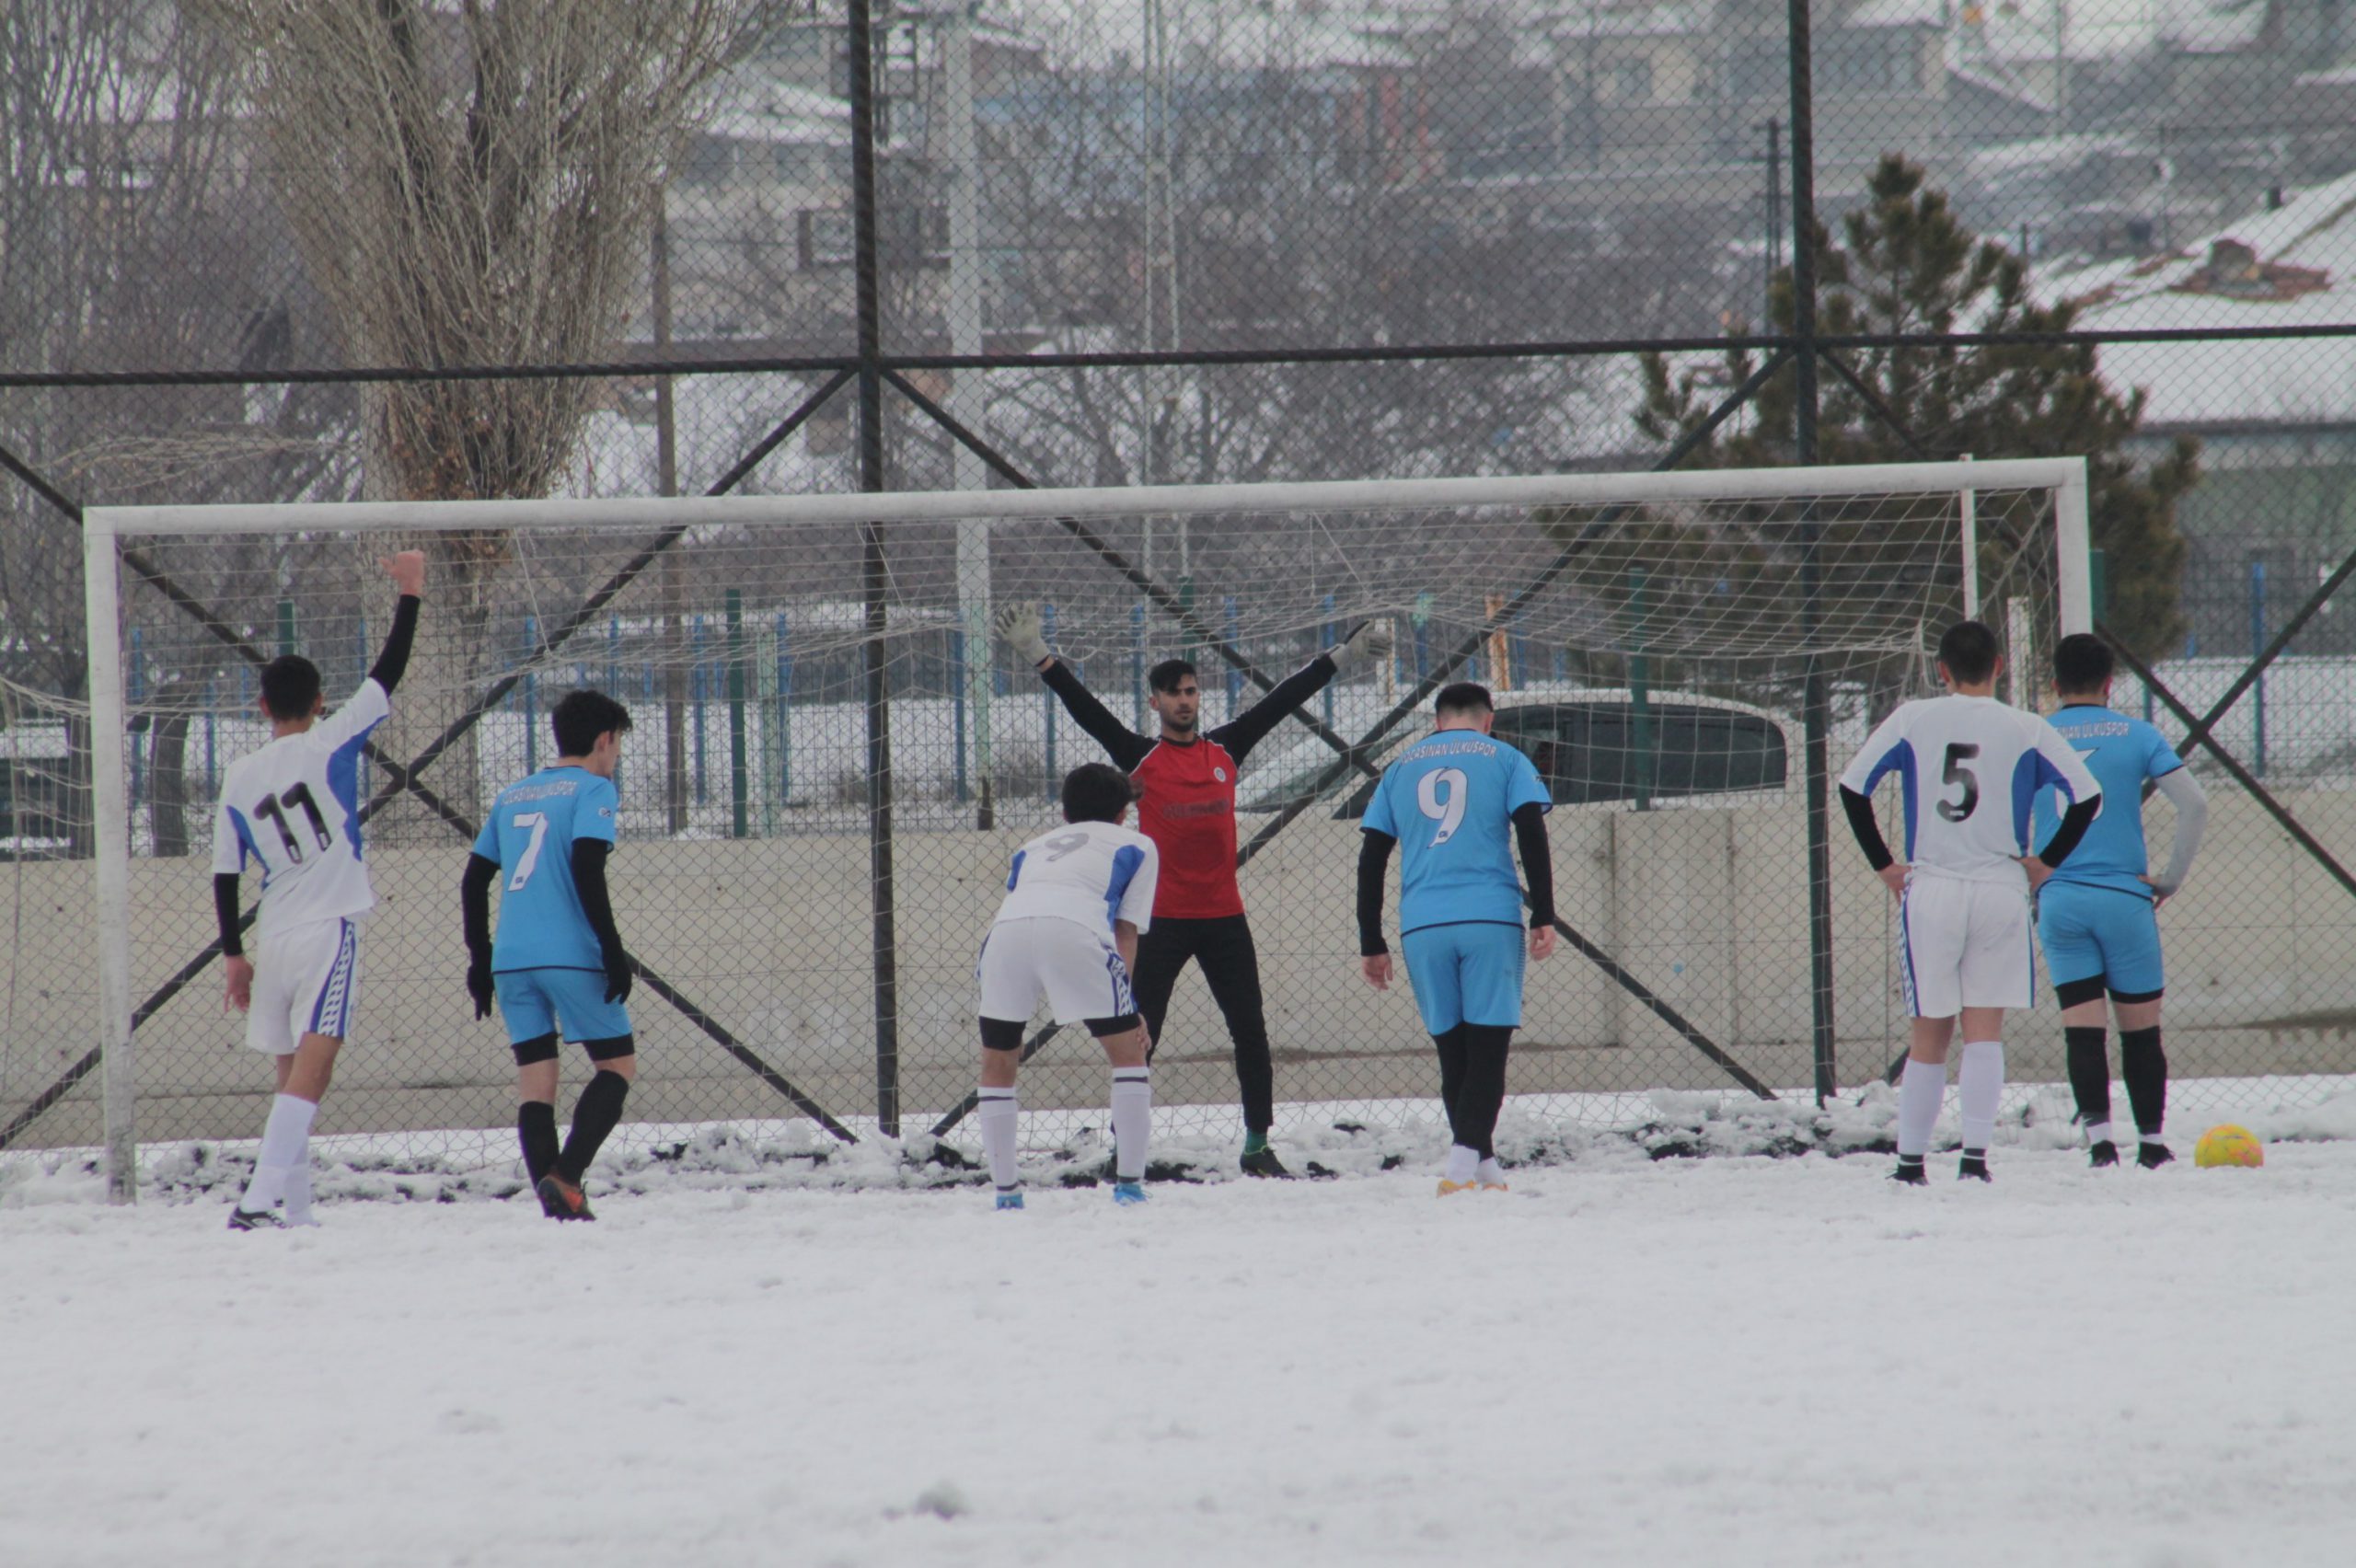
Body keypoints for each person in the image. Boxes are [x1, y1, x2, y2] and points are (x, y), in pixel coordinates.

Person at [996, 601, 1391, 1178]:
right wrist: (1038, 654)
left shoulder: (1226, 749)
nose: (1185, 700)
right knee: (1136, 1037)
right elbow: (1086, 712)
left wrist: (1345, 655)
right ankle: (1123, 1151)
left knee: (1250, 1030)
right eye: (1173, 692)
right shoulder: (1140, 757)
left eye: (1191, 690)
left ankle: (1257, 1144)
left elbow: (1283, 700)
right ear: (1155, 702)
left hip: (1224, 917)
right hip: (1164, 922)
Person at [1838, 620, 2105, 1185]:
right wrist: (2046, 862)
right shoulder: (2028, 727)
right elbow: (2087, 796)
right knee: (1985, 1030)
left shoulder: (1914, 717)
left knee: (1928, 1033)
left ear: (1942, 670)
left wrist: (1885, 865)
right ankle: (1974, 1160)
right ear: (2001, 666)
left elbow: (1852, 786)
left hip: (1932, 887)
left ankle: (1911, 1164)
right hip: (1999, 888)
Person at [213, 550, 424, 1229]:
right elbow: (387, 673)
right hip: (329, 925)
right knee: (314, 1071)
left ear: (262, 706)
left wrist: (233, 955)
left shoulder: (239, 777)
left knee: (288, 1077)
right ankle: (253, 1202)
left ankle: (295, 1213)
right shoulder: (330, 741)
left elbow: (224, 873)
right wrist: (410, 592)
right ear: (320, 703)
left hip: (272, 935)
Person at [1355, 682, 1556, 1196]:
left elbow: (1372, 857)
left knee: (1454, 1054)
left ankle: (1486, 1170)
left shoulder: (1400, 767)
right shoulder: (1506, 758)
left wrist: (1371, 940)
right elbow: (1532, 830)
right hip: (1490, 918)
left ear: (1437, 722)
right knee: (1488, 1052)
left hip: (1423, 924)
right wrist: (1545, 913)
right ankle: (1461, 1167)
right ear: (1488, 719)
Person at [2032, 633, 2209, 1169]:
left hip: (2060, 899)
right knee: (2141, 1029)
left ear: (2055, 684)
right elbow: (2194, 805)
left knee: (2082, 1027)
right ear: (2111, 684)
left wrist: (2030, 875)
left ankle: (2101, 1143)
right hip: (2125, 897)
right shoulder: (2138, 734)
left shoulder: (2033, 736)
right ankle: (2152, 1145)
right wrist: (2169, 879)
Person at [461, 690, 638, 1221]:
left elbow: (474, 880)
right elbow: (587, 866)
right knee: (618, 1066)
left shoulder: (512, 795)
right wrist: (611, 947)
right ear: (604, 740)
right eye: (619, 745)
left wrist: (479, 958)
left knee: (537, 1082)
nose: (618, 757)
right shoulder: (595, 790)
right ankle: (566, 1176)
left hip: (511, 960)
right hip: (570, 956)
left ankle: (556, 1206)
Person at [976, 762, 1161, 1209]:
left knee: (998, 1064)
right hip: (1076, 931)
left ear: (1064, 814)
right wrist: (1128, 1005)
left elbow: (1022, 899)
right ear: (1123, 813)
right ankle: (1130, 1186)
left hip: (1004, 937)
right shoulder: (1138, 844)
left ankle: (1006, 1194)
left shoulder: (1030, 848)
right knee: (1129, 1056)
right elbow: (1125, 933)